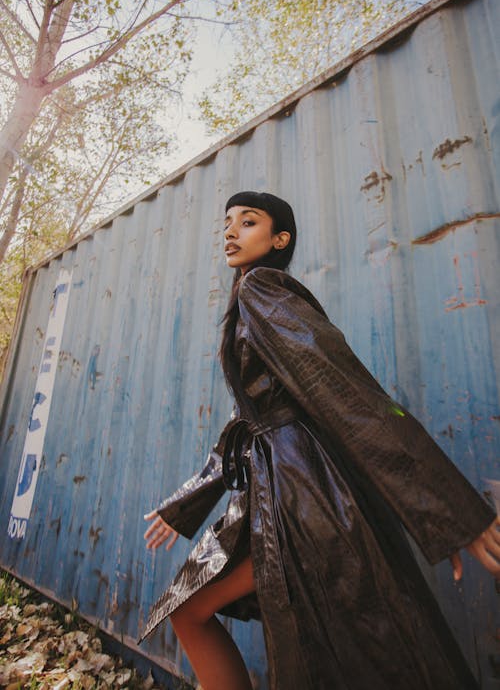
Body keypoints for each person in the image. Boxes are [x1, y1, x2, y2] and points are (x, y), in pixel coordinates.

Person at [141, 192, 499, 690]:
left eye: (247, 222)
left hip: (300, 498)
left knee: (204, 617)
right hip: (290, 490)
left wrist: (444, 506)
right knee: (200, 615)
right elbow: (244, 420)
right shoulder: (252, 299)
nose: (230, 232)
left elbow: (344, 388)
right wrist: (186, 502)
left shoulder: (262, 288)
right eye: (227, 224)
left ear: (278, 239)